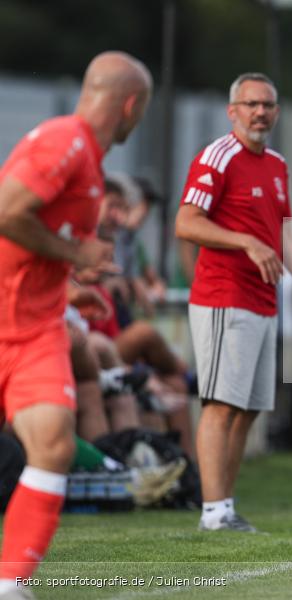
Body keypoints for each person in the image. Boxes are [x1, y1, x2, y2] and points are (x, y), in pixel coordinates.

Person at [0, 51, 152, 600]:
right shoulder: (65, 140)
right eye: (143, 109)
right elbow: (5, 211)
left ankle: (11, 584)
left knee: (53, 445)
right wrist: (73, 250)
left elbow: (30, 245)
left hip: (36, 330)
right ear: (130, 105)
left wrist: (71, 280)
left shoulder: (89, 159)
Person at [175, 72, 292, 533]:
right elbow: (187, 222)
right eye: (251, 104)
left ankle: (225, 507)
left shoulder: (275, 164)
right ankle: (213, 511)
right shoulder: (217, 157)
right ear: (233, 111)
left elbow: (283, 237)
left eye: (268, 105)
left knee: (247, 408)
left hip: (263, 302)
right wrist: (244, 243)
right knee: (220, 404)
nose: (260, 112)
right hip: (222, 298)